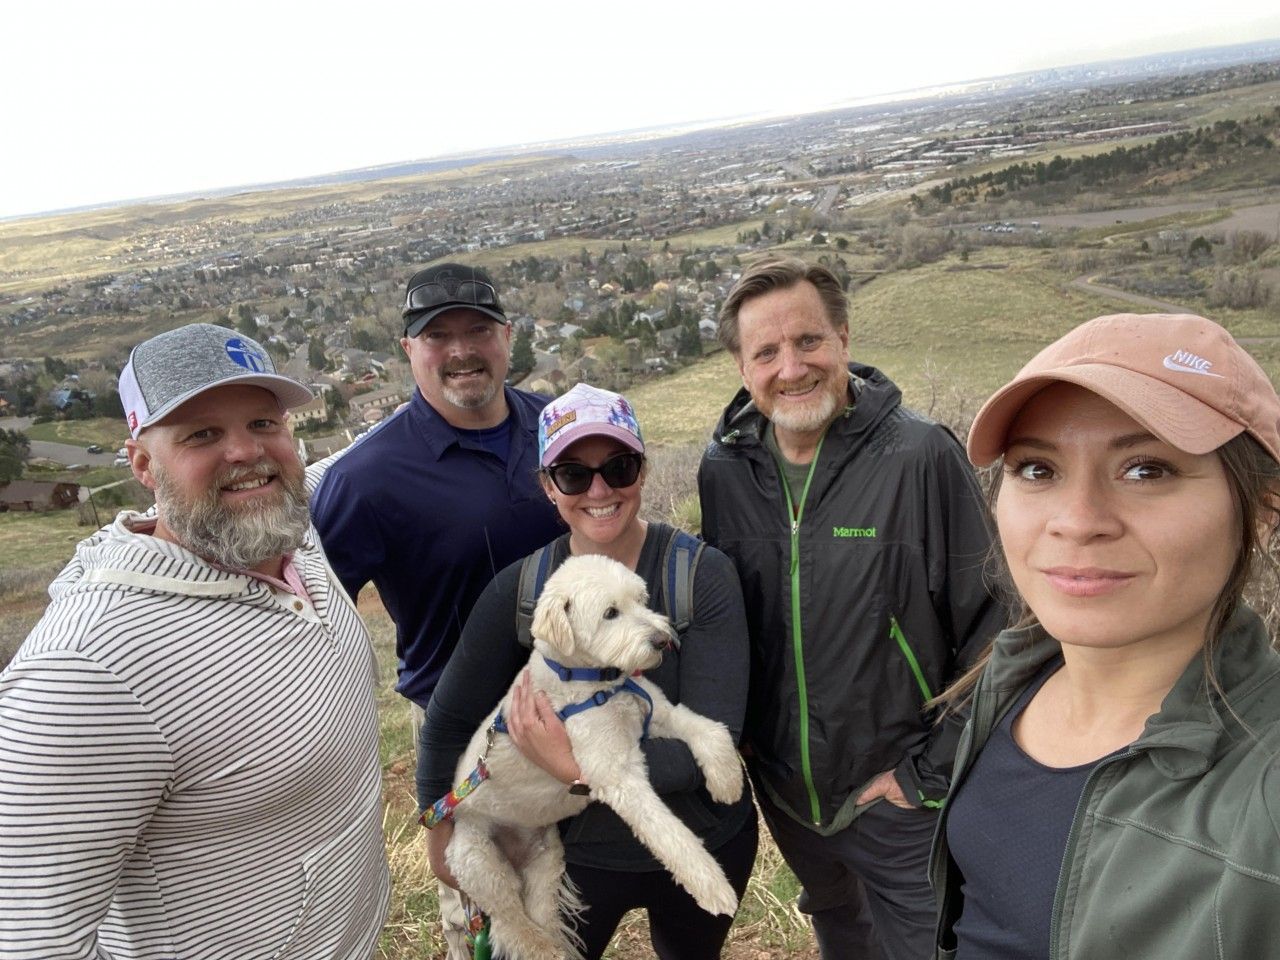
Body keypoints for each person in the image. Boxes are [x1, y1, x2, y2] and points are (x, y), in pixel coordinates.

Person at [0, 323, 389, 960]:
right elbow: (26, 939)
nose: (246, 452)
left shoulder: (285, 533)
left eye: (264, 423)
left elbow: (334, 466)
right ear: (143, 464)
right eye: (202, 433)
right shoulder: (87, 672)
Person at [930, 312, 1280, 960]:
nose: (1077, 520)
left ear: (1261, 510)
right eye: (1037, 469)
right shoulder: (1016, 674)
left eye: (1146, 469)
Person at [698, 255, 1005, 960]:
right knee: (839, 927)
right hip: (789, 793)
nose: (791, 367)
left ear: (842, 337)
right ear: (743, 368)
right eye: (766, 352)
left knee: (927, 946)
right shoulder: (726, 469)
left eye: (808, 341)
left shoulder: (919, 457)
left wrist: (927, 774)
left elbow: (997, 625)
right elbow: (727, 618)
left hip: (899, 796)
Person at [418, 382, 757, 960]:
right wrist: (439, 826)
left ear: (643, 471)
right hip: (575, 855)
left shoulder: (700, 576)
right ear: (549, 487)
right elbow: (448, 721)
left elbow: (718, 733)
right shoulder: (524, 593)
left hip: (705, 833)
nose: (599, 490)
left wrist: (573, 770)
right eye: (574, 474)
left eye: (619, 467)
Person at [308, 263, 560, 958]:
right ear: (408, 350)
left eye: (478, 329)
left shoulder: (557, 427)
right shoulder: (367, 478)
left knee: (573, 898)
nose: (461, 350)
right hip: (467, 730)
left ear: (507, 336)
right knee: (492, 919)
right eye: (437, 335)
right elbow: (313, 614)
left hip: (583, 705)